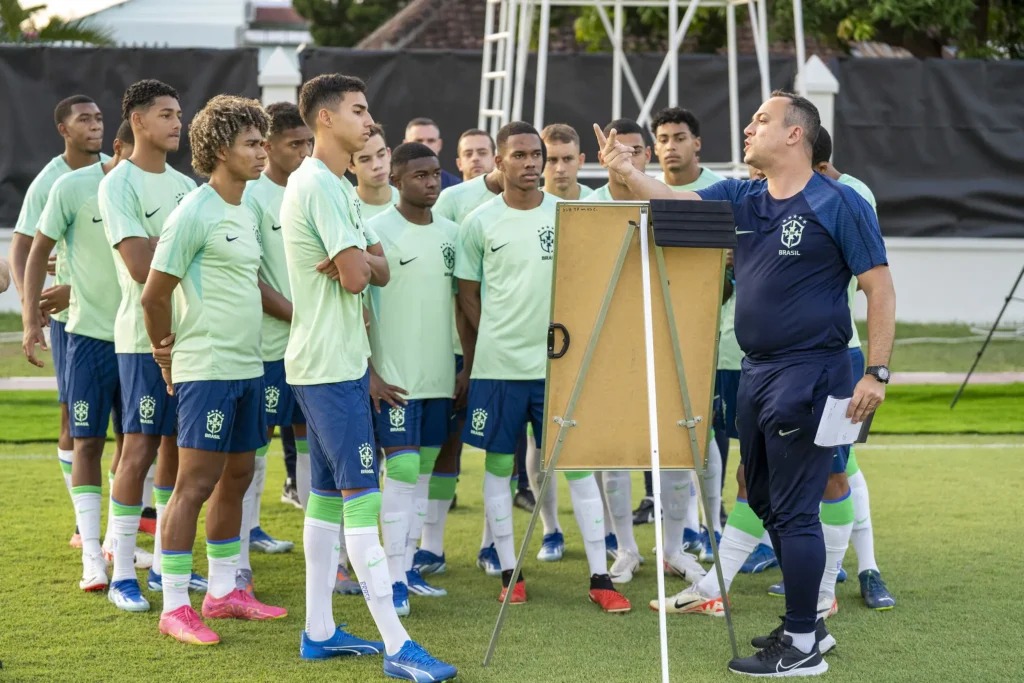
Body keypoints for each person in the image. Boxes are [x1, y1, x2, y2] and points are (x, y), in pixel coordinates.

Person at [595, 90, 895, 677]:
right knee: (760, 499)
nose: (750, 127)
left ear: (795, 136)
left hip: (813, 371)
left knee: (795, 507)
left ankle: (804, 644)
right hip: (756, 371)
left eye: (762, 119)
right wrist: (627, 171)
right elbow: (674, 202)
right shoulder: (742, 195)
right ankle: (809, 625)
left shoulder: (838, 202)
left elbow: (878, 288)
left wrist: (877, 372)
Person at [281, 73, 456, 681]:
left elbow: (372, 269)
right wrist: (360, 262)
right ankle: (398, 645)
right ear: (325, 119)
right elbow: (361, 276)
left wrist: (361, 259)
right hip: (328, 367)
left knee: (328, 499)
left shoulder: (334, 187)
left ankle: (320, 629)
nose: (369, 119)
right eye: (358, 110)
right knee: (364, 501)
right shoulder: (320, 186)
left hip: (338, 362)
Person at [456, 120, 630, 613]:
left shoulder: (570, 214)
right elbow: (466, 296)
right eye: (521, 155)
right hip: (496, 372)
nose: (533, 163)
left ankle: (600, 577)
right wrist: (484, 351)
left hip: (559, 368)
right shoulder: (479, 223)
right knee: (498, 470)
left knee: (576, 469)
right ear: (499, 163)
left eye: (539, 155)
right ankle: (511, 571)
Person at [142, 95, 287, 645]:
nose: (262, 151)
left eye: (262, 141)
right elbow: (154, 296)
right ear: (221, 149)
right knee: (193, 484)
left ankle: (224, 592)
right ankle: (175, 605)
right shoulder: (193, 212)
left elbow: (250, 285)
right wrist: (164, 352)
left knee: (239, 476)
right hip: (206, 368)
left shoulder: (247, 209)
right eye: (252, 143)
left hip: (249, 366)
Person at [99, 80, 205, 604]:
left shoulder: (187, 188)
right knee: (137, 449)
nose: (176, 123)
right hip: (141, 339)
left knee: (173, 451)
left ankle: (164, 565)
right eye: (166, 114)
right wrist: (182, 253)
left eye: (179, 114)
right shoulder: (118, 184)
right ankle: (121, 571)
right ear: (138, 121)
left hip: (186, 339)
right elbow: (142, 268)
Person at [20, 119, 131, 598]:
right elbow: (33, 246)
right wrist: (30, 316)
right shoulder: (66, 183)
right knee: (84, 437)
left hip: (139, 339)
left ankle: (116, 543)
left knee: (138, 444)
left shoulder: (173, 189)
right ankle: (91, 553)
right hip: (85, 335)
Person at [365, 142, 462, 616]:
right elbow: (355, 308)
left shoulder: (452, 233)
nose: (431, 182)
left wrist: (465, 365)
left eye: (436, 174)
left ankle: (406, 570)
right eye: (420, 175)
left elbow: (462, 304)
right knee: (401, 471)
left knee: (421, 474)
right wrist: (370, 372)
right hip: (394, 379)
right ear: (396, 180)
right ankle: (392, 578)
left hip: (438, 377)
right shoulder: (375, 231)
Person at [9, 94, 105, 548]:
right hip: (73, 321)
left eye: (99, 118)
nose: (95, 126)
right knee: (74, 421)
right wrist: (31, 314)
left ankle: (133, 522)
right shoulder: (51, 180)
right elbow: (24, 246)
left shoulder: (113, 170)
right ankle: (81, 526)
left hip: (121, 317)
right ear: (63, 129)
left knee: (135, 427)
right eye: (84, 120)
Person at [423, 129, 509, 578]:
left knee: (504, 447)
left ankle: (492, 545)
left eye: (483, 152)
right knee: (445, 446)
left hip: (514, 354)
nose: (477, 160)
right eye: (468, 153)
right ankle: (431, 548)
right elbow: (455, 285)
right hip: (459, 347)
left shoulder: (532, 201)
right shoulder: (452, 200)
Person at [238, 102, 314, 586]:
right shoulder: (251, 197)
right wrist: (301, 314)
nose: (306, 152)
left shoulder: (314, 189)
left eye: (309, 143)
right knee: (256, 446)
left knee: (312, 444)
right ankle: (241, 553)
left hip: (314, 346)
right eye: (295, 144)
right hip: (268, 348)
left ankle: (319, 553)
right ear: (268, 146)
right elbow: (251, 277)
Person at [589, 119, 650, 202]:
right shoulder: (587, 208)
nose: (629, 162)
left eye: (635, 152)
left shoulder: (664, 201)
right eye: (618, 153)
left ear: (647, 155)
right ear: (602, 159)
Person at [352, 125, 400, 220]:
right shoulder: (344, 208)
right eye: (365, 160)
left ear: (389, 154)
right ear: (351, 166)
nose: (377, 165)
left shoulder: (411, 204)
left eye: (381, 155)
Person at [540, 123, 593, 201]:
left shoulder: (598, 203)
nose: (560, 169)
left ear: (580, 161)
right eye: (552, 160)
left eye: (567, 159)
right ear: (540, 163)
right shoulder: (527, 206)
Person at [404, 117, 460, 189]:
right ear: (405, 145)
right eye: (418, 141)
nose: (425, 146)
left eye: (431, 141)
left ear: (439, 145)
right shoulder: (392, 185)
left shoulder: (455, 186)